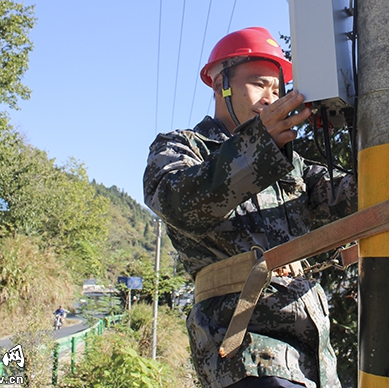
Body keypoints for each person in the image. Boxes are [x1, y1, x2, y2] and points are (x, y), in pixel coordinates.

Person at [144, 27, 355, 388]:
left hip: (315, 354)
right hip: (246, 353)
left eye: (277, 89)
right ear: (218, 83)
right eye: (258, 84)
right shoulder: (183, 147)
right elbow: (178, 204)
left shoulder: (293, 165)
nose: (269, 98)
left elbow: (350, 197)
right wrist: (258, 145)